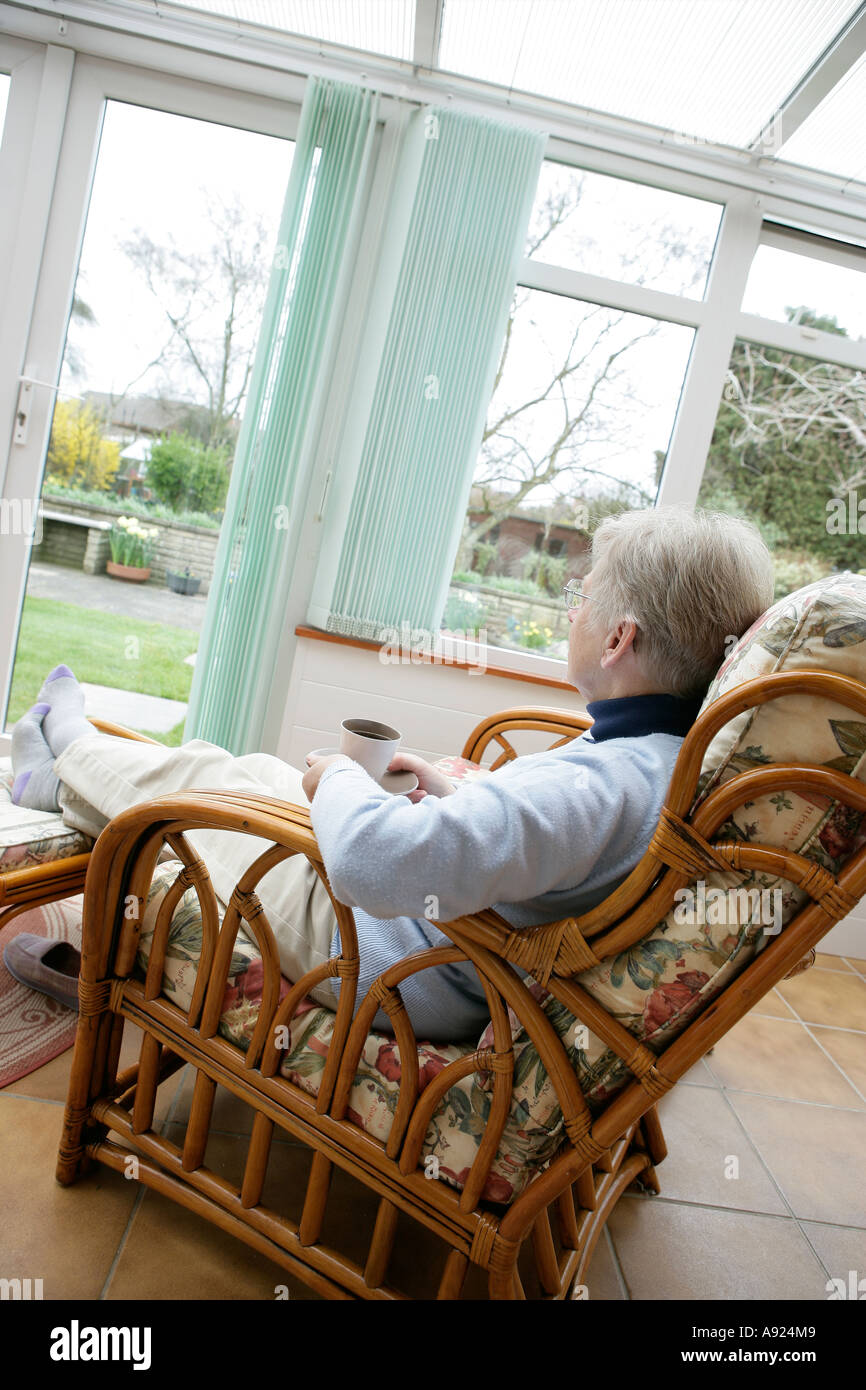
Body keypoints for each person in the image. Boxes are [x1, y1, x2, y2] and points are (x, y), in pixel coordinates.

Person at [4, 507, 774, 1041]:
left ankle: (60, 747)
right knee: (254, 767)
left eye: (583, 596)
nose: (571, 611)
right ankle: (63, 775)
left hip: (372, 948)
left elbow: (377, 863)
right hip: (437, 949)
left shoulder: (603, 785)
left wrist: (338, 777)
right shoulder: (654, 764)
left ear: (618, 638)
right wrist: (454, 792)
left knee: (205, 780)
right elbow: (542, 853)